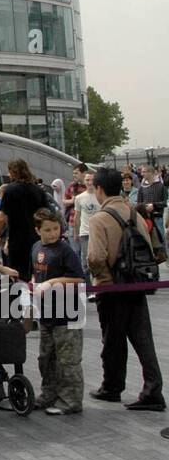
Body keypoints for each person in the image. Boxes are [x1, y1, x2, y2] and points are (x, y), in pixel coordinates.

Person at [88, 167, 165, 412]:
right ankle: (153, 390)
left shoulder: (100, 218)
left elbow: (96, 257)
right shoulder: (133, 212)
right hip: (136, 284)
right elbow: (154, 248)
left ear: (99, 189)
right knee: (143, 340)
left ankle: (112, 387)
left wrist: (101, 278)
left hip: (112, 288)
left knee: (112, 340)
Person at [30, 208, 85, 415]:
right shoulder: (36, 248)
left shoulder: (65, 250)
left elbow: (79, 278)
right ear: (38, 231)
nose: (53, 233)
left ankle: (70, 401)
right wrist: (34, 284)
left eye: (56, 228)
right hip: (46, 314)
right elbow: (35, 274)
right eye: (48, 230)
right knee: (47, 358)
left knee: (68, 361)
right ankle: (49, 394)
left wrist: (53, 282)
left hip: (67, 315)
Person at [0, 159, 46, 281]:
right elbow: (46, 214)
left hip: (17, 240)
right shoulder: (38, 190)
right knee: (35, 273)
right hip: (36, 239)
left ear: (13, 172)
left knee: (16, 275)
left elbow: (1, 218)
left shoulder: (10, 190)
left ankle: (19, 297)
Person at [71, 172, 99, 286]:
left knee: (99, 259)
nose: (90, 182)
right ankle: (89, 287)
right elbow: (77, 216)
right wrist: (76, 232)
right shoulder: (79, 198)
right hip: (85, 232)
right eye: (87, 180)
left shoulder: (100, 195)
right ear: (84, 181)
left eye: (92, 180)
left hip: (98, 232)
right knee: (86, 261)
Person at [138, 167, 167, 253]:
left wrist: (154, 205)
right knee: (147, 241)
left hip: (157, 217)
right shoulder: (142, 187)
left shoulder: (161, 186)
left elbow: (165, 202)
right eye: (142, 172)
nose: (142, 174)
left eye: (144, 172)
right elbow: (139, 203)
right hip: (145, 218)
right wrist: (144, 207)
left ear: (151, 172)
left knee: (160, 240)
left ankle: (163, 258)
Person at [63, 164, 87, 232]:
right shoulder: (72, 186)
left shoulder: (91, 187)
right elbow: (64, 201)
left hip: (87, 223)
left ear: (84, 173)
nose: (74, 175)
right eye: (73, 173)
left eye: (76, 173)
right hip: (72, 222)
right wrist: (72, 201)